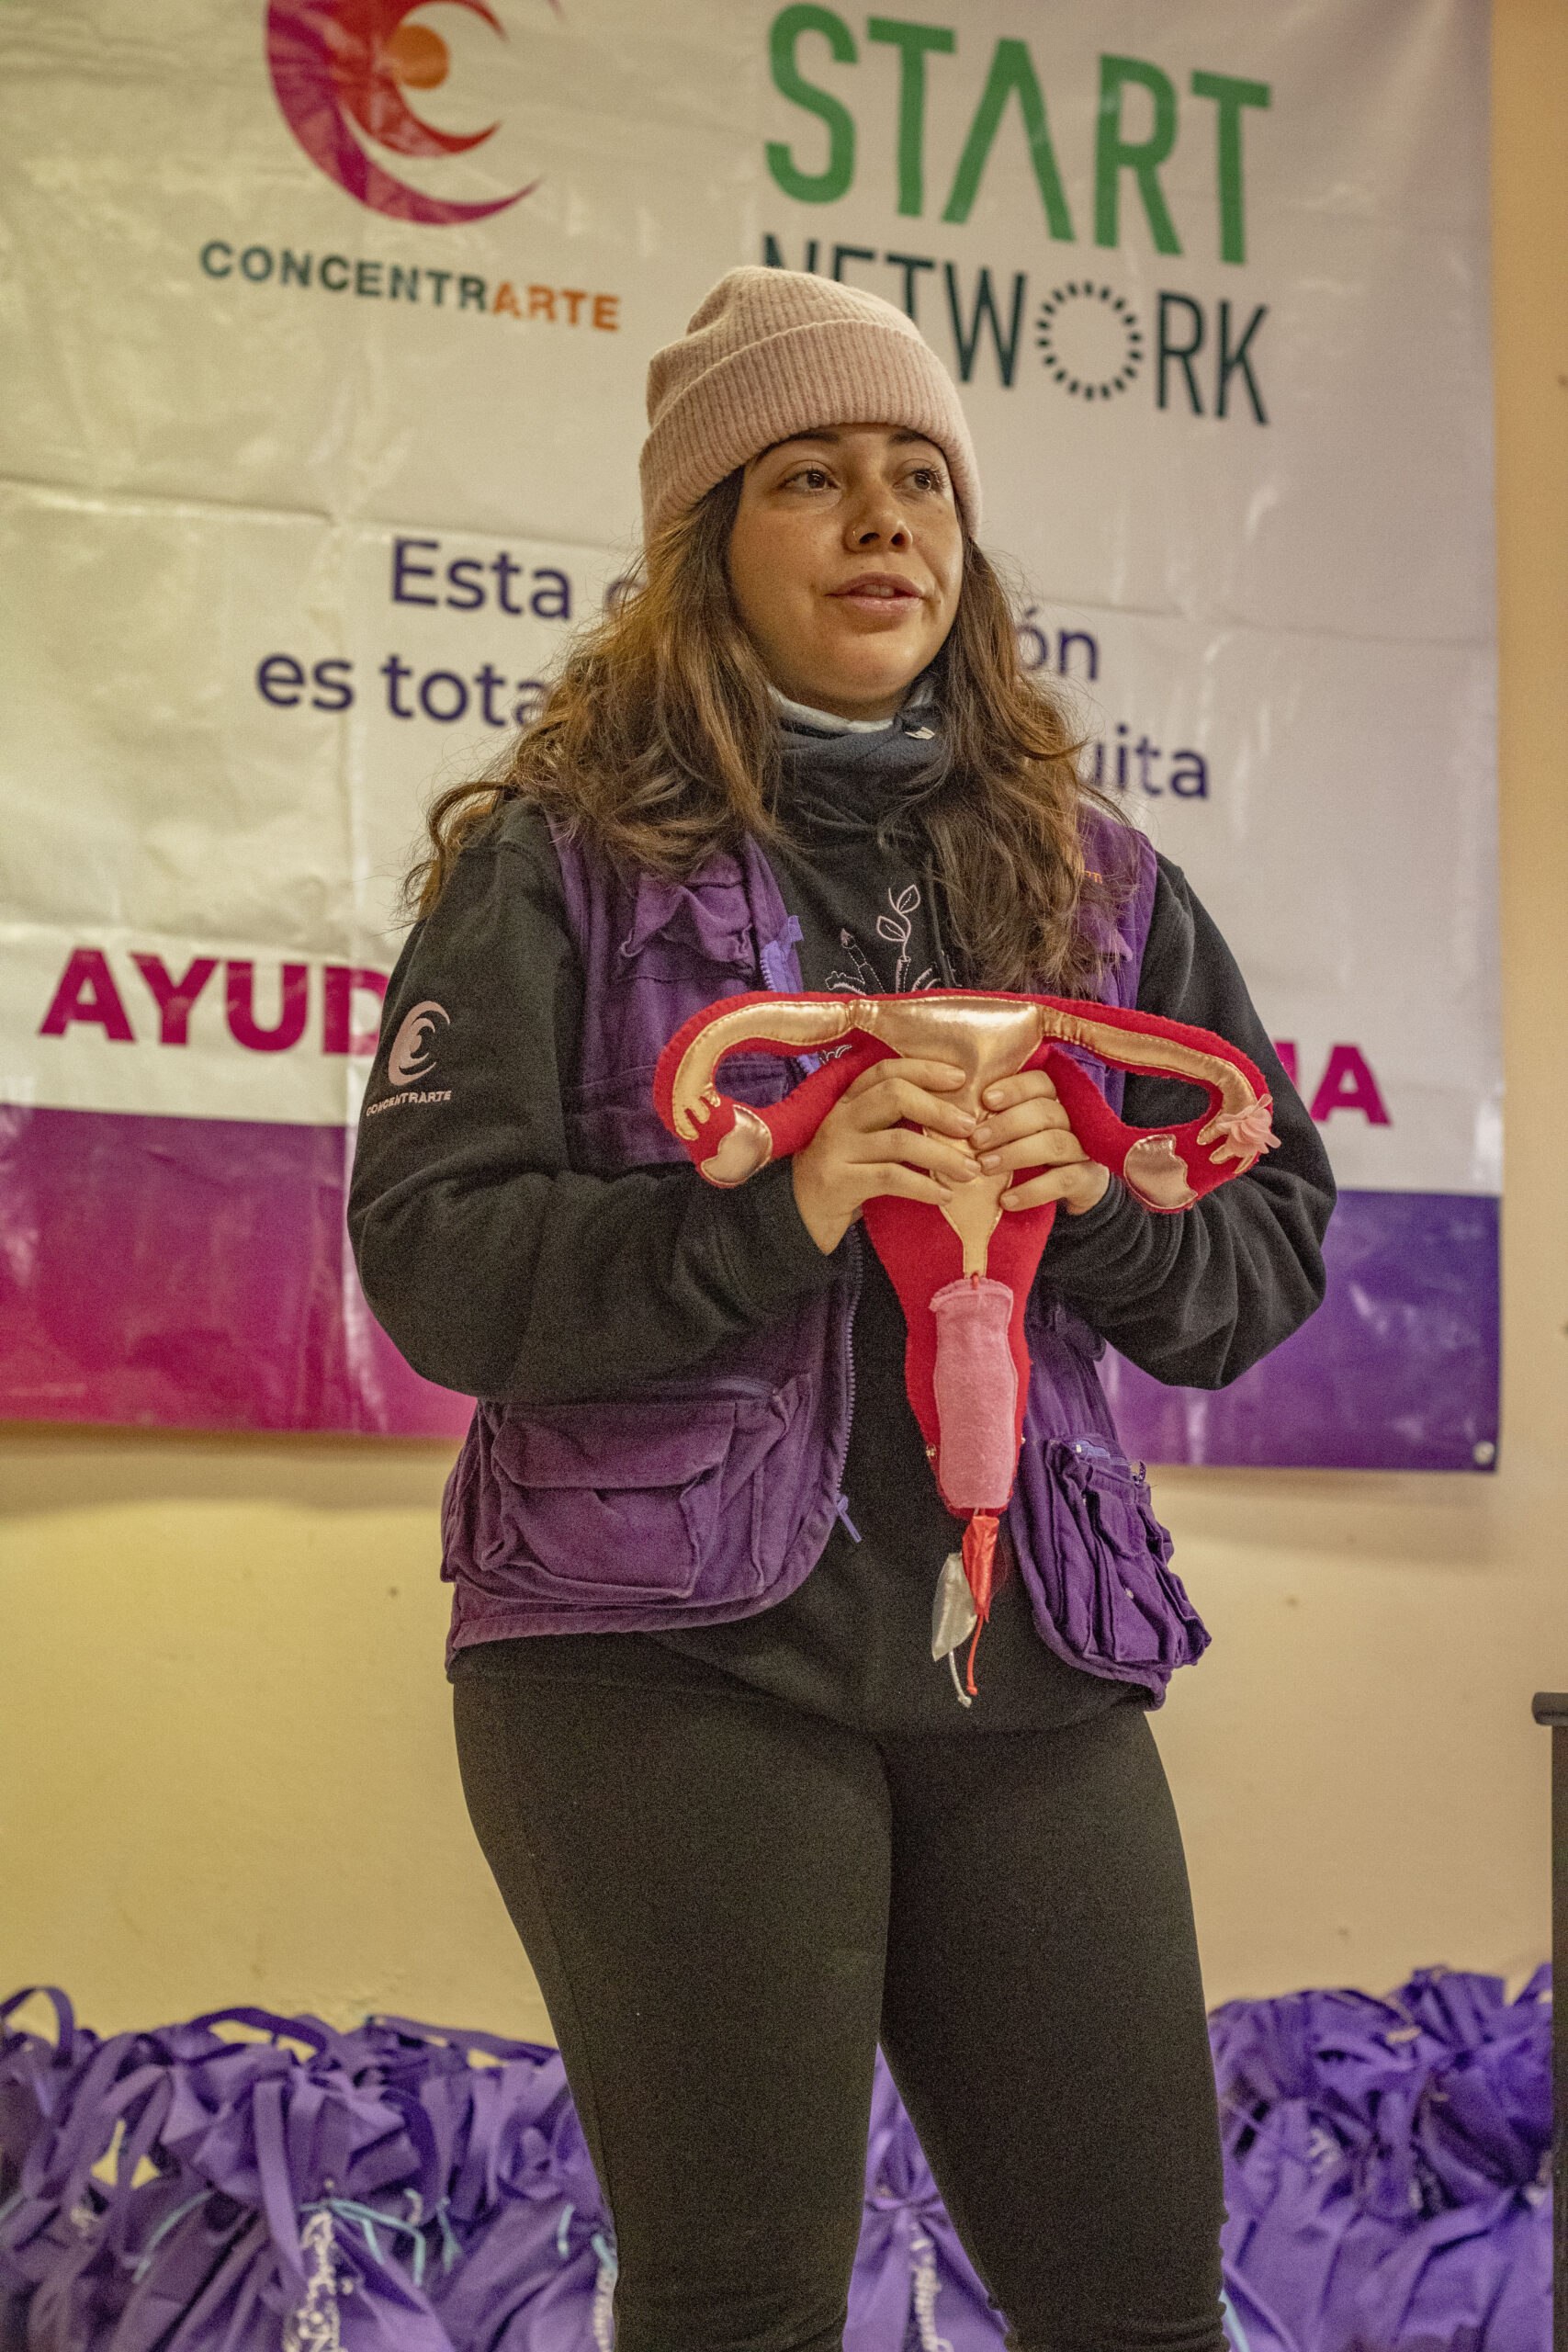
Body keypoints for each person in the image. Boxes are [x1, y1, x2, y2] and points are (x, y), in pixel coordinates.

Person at [350, 268, 1335, 2352]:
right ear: (708, 543)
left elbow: (1262, 1256)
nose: (883, 517)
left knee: (1139, 2306)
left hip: (1028, 1654)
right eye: (808, 476)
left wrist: (1095, 1207)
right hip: (659, 1660)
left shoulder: (1099, 878)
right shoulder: (557, 861)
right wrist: (783, 1208)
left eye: (919, 476)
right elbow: (439, 1257)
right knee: (743, 2305)